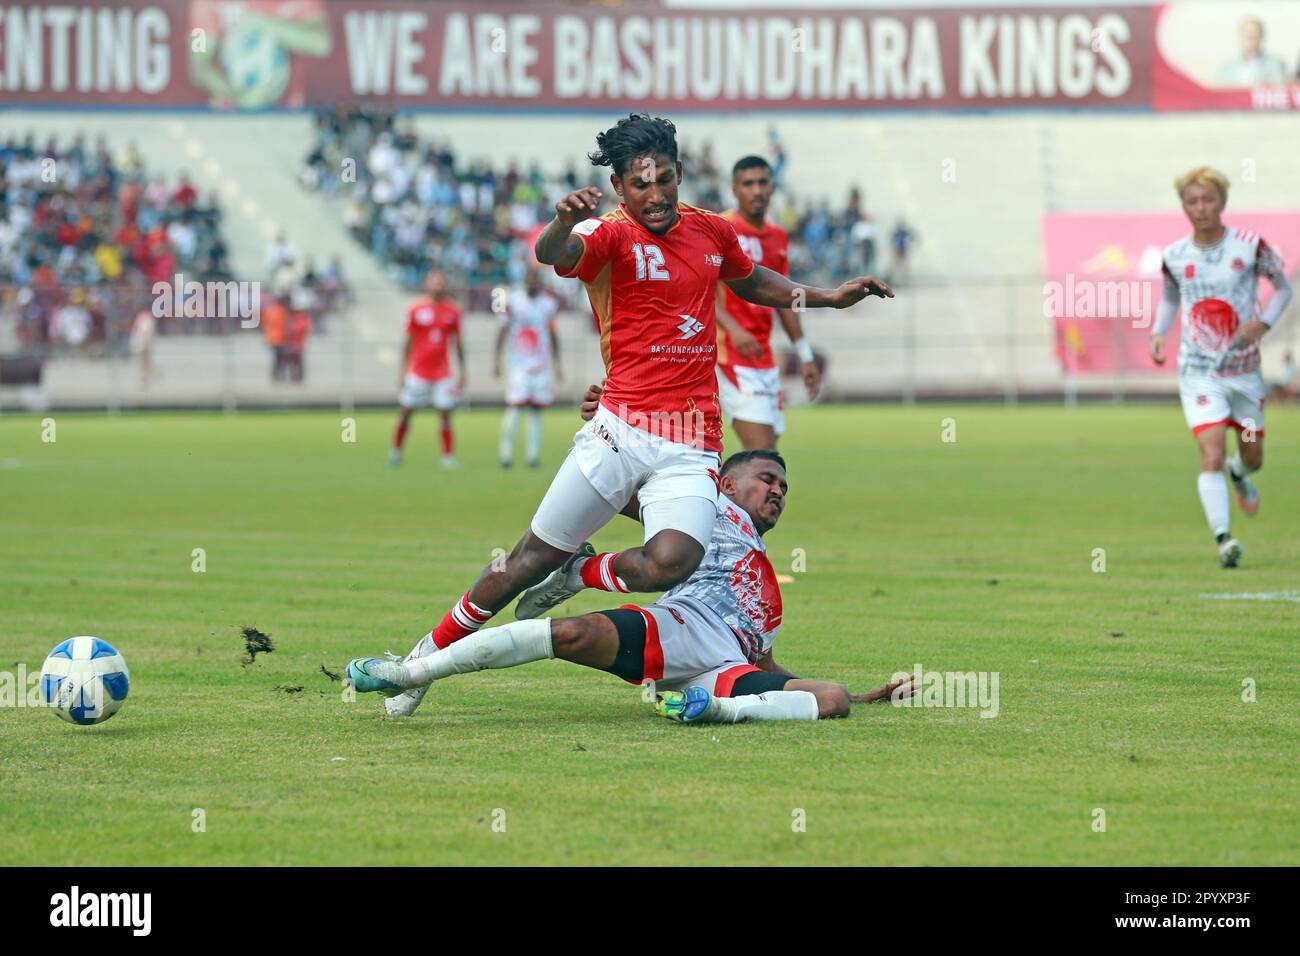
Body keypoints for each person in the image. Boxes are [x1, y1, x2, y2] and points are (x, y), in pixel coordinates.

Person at [381, 113, 892, 718]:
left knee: (673, 560)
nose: (656, 195)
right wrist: (563, 220)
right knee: (524, 561)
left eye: (666, 180)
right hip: (616, 432)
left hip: (689, 442)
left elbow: (751, 280)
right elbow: (555, 253)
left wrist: (827, 297)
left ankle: (581, 571)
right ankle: (422, 660)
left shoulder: (710, 231)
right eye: (641, 185)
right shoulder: (607, 233)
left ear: (679, 175)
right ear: (621, 187)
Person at [346, 446, 916, 723]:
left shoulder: (768, 589)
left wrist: (869, 696)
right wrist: (610, 432)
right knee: (568, 634)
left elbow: (767, 666)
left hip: (719, 664)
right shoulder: (709, 506)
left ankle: (711, 710)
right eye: (767, 479)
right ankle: (411, 671)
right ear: (726, 481)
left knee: (833, 699)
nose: (778, 493)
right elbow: (619, 493)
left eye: (785, 489)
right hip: (685, 624)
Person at [1149, 166, 1293, 567]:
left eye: (1208, 199)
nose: (1201, 208)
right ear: (1183, 206)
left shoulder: (1250, 247)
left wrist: (1263, 322)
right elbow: (1169, 298)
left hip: (1245, 375)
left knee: (1253, 457)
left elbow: (1284, 289)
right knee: (1209, 453)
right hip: (1199, 372)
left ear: (1222, 202)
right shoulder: (1175, 256)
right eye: (1192, 201)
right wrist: (1159, 331)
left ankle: (1239, 473)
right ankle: (1224, 540)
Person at [715, 155, 821, 450]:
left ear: (773, 187)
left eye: (763, 182)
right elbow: (697, 289)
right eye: (748, 184)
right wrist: (733, 328)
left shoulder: (777, 236)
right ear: (734, 189)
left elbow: (786, 298)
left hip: (762, 356)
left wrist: (805, 354)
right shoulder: (720, 228)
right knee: (763, 461)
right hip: (728, 356)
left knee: (765, 460)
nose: (757, 190)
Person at [390, 270, 465, 469]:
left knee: (445, 413)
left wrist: (463, 371)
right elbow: (407, 340)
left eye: (441, 282)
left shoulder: (453, 311)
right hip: (418, 372)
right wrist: (402, 370)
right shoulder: (416, 308)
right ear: (427, 284)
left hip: (442, 373)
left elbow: (458, 343)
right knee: (405, 411)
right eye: (434, 282)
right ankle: (396, 452)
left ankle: (447, 457)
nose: (437, 285)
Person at [495, 269, 562, 469]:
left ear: (539, 283)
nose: (532, 284)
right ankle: (505, 454)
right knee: (515, 407)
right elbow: (503, 329)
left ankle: (532, 456)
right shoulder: (513, 301)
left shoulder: (548, 303)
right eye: (529, 281)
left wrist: (558, 364)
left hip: (541, 364)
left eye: (535, 281)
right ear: (524, 281)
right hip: (519, 364)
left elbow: (552, 333)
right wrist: (496, 360)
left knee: (536, 410)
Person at [1216, 17, 1288, 87]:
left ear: (1261, 37)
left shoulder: (1276, 65)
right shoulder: (1225, 68)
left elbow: (1279, 90)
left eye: (1255, 34)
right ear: (1240, 36)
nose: (1251, 38)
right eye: (1247, 34)